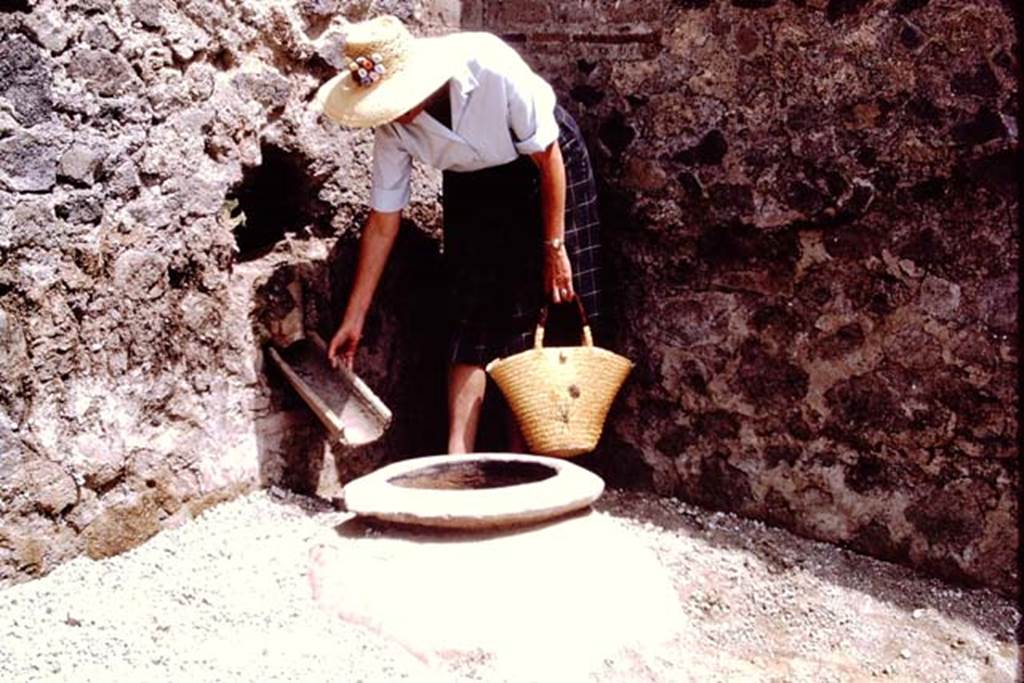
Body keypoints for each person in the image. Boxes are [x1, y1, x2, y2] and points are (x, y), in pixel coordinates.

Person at [315, 15, 603, 454]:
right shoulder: (392, 125)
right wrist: (354, 317)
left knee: (543, 303)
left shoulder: (489, 66)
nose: (394, 111)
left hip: (542, 166)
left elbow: (548, 158)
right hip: (472, 183)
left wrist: (554, 247)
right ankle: (457, 460)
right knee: (472, 310)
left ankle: (530, 457)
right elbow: (382, 221)